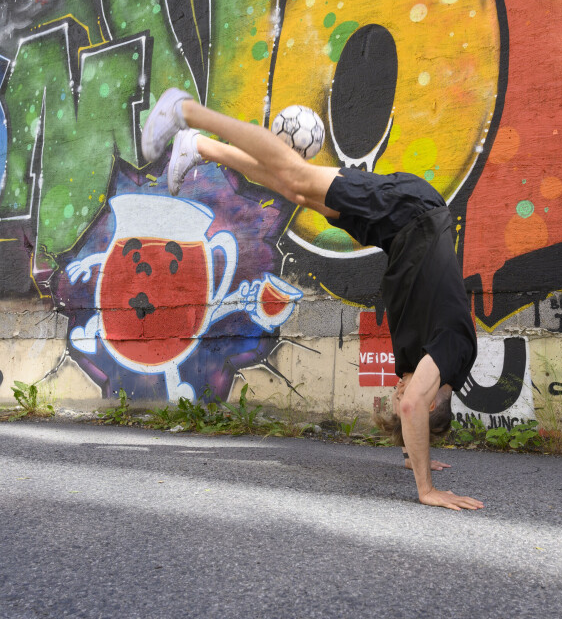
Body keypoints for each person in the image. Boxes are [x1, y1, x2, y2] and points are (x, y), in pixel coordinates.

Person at [142, 88, 483, 511]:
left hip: (394, 231)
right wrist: (426, 487)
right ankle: (186, 112)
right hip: (412, 211)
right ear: (433, 398)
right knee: (300, 177)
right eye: (402, 398)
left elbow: (414, 411)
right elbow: (415, 405)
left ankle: (200, 147)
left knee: (299, 193)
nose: (397, 392)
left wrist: (418, 449)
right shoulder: (455, 347)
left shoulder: (429, 360)